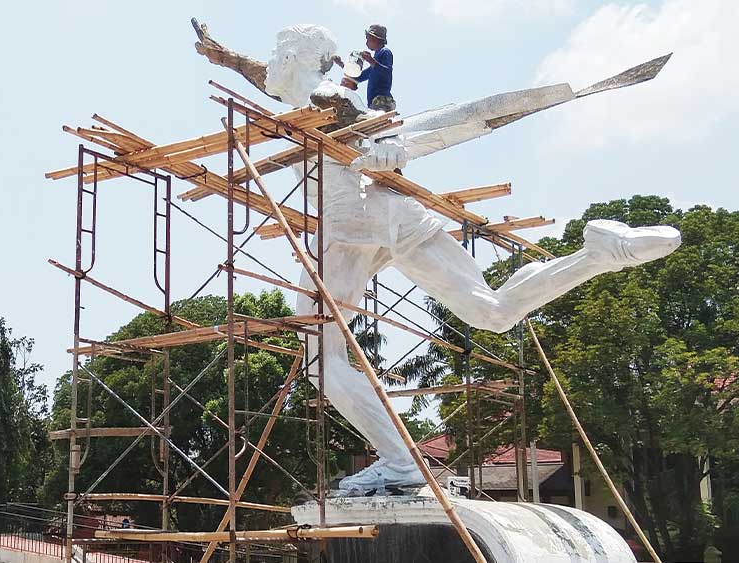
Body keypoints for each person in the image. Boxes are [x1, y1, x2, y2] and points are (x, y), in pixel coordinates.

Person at [247, 24, 680, 494]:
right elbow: (274, 82)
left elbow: (345, 113)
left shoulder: (321, 92)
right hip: (390, 219)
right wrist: (220, 56)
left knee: (321, 361)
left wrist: (380, 146)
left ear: (292, 60)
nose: (266, 65)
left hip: (349, 233)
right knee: (491, 312)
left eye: (275, 55)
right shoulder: (300, 95)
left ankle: (401, 464)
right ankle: (598, 255)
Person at [332, 24, 394, 111]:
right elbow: (358, 77)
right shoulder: (375, 63)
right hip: (375, 102)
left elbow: (387, 72)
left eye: (368, 40)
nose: (366, 43)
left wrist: (370, 60)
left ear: (375, 39)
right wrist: (341, 64)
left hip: (382, 100)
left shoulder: (385, 52)